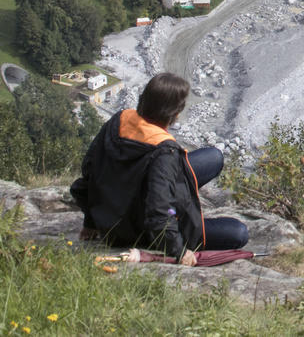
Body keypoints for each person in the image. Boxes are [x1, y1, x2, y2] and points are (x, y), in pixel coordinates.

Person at [70, 73, 247, 264]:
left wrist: (92, 221)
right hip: (136, 229)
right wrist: (179, 251)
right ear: (174, 113)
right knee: (238, 233)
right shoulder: (164, 152)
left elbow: (90, 173)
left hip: (115, 208)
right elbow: (159, 212)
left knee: (214, 157)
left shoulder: (119, 120)